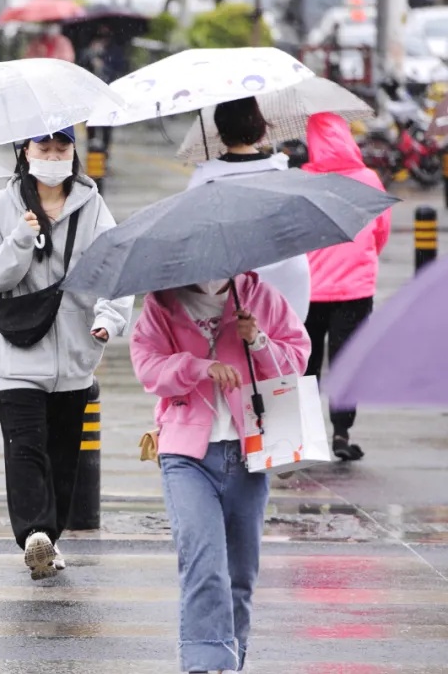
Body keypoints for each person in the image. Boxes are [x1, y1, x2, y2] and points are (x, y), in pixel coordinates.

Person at [0, 127, 133, 580]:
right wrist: (20, 237)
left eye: (62, 148)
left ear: (74, 152)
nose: (54, 156)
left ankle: (49, 540)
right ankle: (34, 532)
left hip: (76, 351)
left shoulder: (93, 206)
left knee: (62, 454)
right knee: (25, 446)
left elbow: (115, 269)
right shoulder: (4, 205)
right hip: (17, 347)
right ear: (25, 150)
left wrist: (110, 319)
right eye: (44, 148)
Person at [130, 274, 311, 674]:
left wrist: (259, 342)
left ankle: (231, 661)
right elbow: (147, 367)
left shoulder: (260, 296)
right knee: (204, 564)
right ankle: (203, 663)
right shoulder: (163, 304)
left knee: (240, 575)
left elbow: (296, 360)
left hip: (250, 452)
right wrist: (198, 367)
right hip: (186, 455)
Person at [302, 112, 392, 462]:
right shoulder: (369, 179)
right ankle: (341, 432)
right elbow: (381, 231)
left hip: (309, 289)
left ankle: (307, 435)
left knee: (306, 364)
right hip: (355, 289)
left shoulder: (304, 181)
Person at [187, 97, 312, 324]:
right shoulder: (282, 173)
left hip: (228, 286)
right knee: (280, 351)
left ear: (220, 130)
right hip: (288, 283)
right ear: (260, 127)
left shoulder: (204, 179)